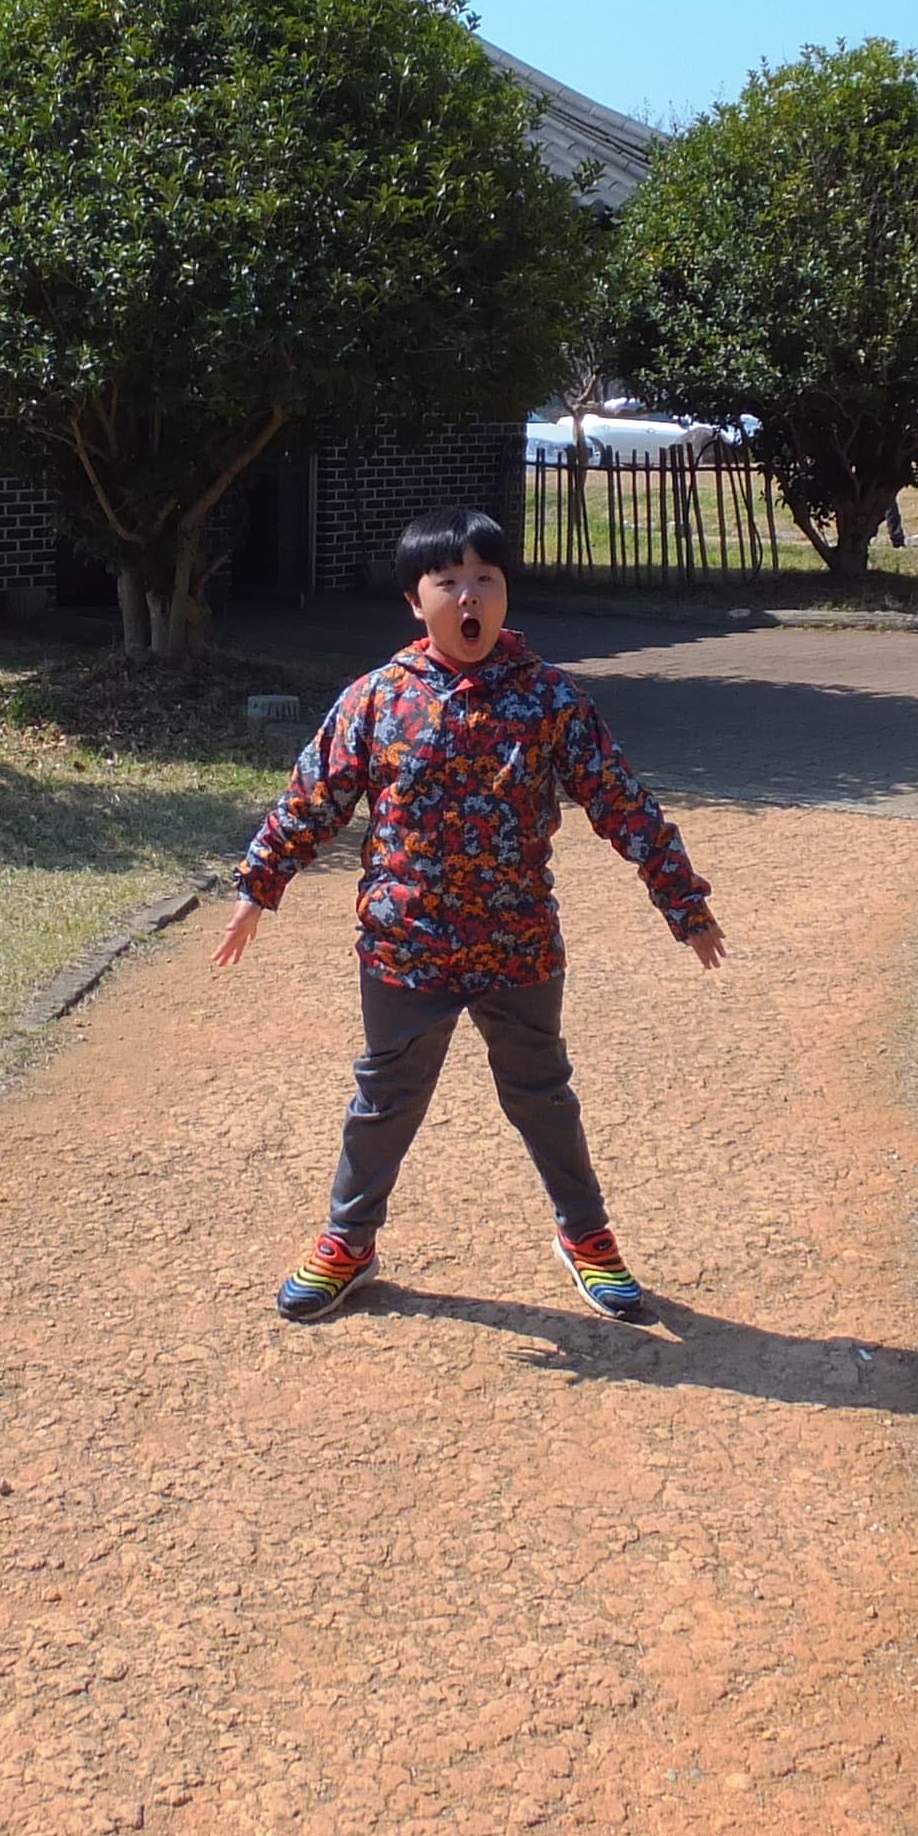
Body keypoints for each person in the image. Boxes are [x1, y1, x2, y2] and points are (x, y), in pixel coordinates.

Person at [213, 507, 725, 1327]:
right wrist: (257, 886)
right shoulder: (377, 700)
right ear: (417, 602)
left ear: (505, 593)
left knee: (542, 1092)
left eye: (486, 578)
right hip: (404, 945)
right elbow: (314, 799)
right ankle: (349, 1241)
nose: (469, 595)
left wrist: (682, 900)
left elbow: (621, 802)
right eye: (448, 581)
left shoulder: (551, 701)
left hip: (517, 942)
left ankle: (586, 1237)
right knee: (385, 1098)